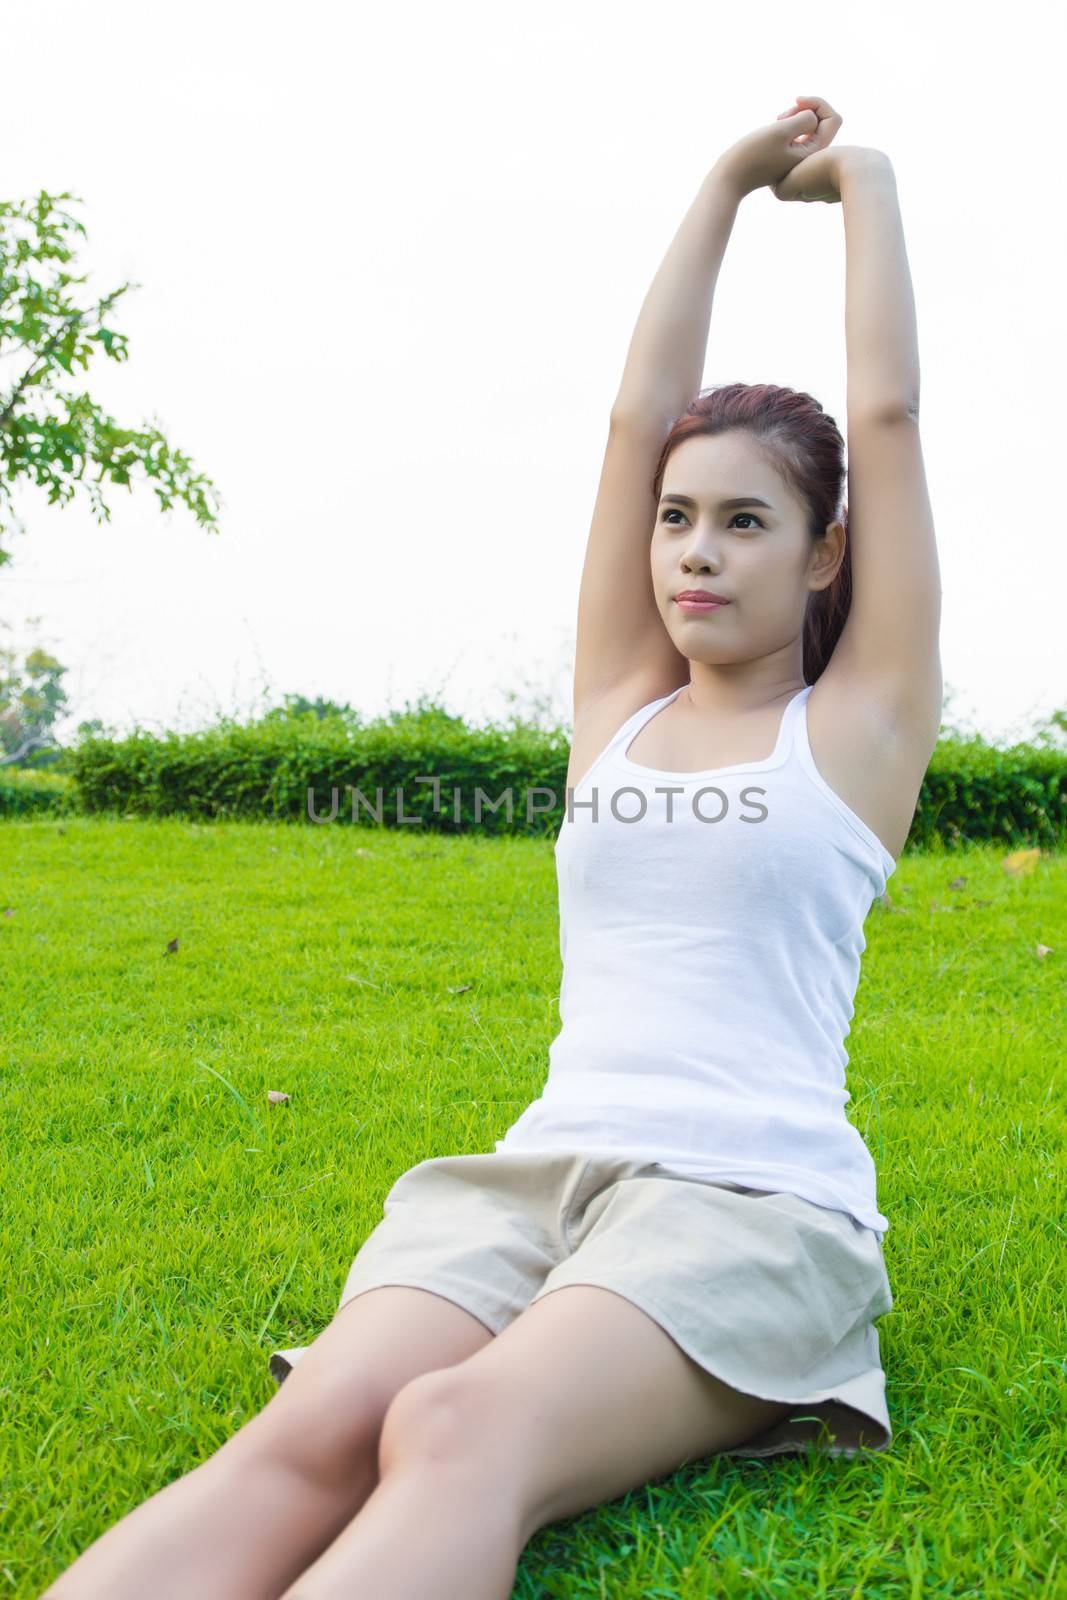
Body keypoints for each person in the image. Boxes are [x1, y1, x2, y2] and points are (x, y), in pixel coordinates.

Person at [46, 96, 942, 1600]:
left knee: (458, 1430)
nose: (697, 552)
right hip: (534, 1179)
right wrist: (720, 181)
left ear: (826, 554)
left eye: (745, 521)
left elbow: (894, 420)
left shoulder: (860, 727)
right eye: (677, 519)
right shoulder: (618, 708)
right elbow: (626, 415)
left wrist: (863, 182)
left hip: (749, 1201)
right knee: (324, 1420)